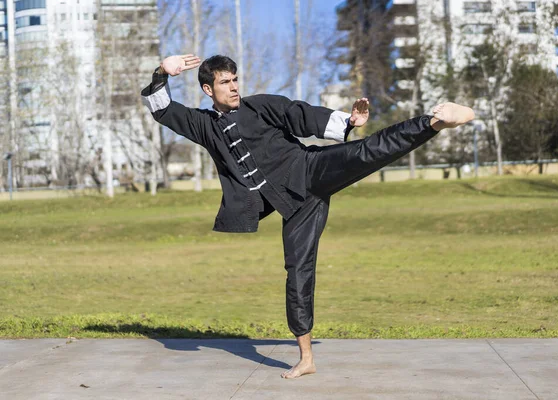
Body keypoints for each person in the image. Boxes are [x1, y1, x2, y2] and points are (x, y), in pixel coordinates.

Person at [141, 54, 475, 379]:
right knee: (297, 273)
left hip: (312, 170)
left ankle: (435, 121)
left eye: (235, 79)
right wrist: (161, 72)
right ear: (207, 90)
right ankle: (306, 359)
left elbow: (297, 114)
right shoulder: (203, 126)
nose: (233, 87)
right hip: (296, 208)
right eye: (224, 82)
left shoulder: (258, 105)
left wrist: (347, 121)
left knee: (368, 151)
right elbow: (163, 110)